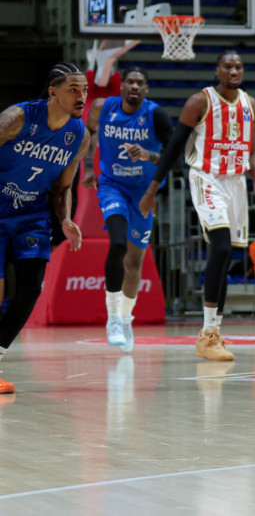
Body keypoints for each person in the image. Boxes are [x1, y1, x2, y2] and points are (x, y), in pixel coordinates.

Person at [139, 51, 255, 361]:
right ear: (217, 70)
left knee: (225, 257)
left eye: (238, 66)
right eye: (228, 66)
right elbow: (173, 148)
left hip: (236, 183)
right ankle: (207, 334)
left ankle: (214, 333)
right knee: (220, 248)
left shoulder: (250, 104)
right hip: (206, 177)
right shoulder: (200, 101)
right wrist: (151, 190)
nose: (234, 71)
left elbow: (251, 154)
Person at [0, 62, 90, 393]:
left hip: (32, 214)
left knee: (30, 290)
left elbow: (63, 187)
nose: (81, 96)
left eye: (84, 90)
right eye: (73, 90)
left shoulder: (79, 136)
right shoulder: (17, 118)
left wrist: (65, 219)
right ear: (53, 92)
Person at [81, 66, 172, 353]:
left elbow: (173, 155)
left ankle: (125, 319)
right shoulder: (102, 107)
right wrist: (88, 167)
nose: (134, 86)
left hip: (143, 192)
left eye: (139, 83)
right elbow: (89, 133)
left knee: (134, 263)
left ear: (146, 89)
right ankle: (112, 319)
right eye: (130, 81)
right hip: (112, 185)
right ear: (121, 86)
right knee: (118, 243)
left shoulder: (155, 115)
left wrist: (149, 155)